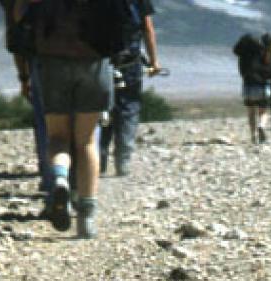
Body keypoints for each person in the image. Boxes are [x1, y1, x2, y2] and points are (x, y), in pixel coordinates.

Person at [14, 0, 113, 239]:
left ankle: (60, 178)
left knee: (58, 137)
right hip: (95, 62)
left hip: (51, 63)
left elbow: (19, 16)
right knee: (87, 141)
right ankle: (86, 220)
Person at [99, 0, 161, 177]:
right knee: (129, 109)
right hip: (130, 62)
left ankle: (98, 161)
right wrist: (154, 60)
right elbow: (147, 27)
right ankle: (123, 161)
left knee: (100, 109)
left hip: (101, 61)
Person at [0, 0, 50, 201]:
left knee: (46, 119)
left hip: (40, 56)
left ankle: (52, 178)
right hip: (85, 54)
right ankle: (82, 185)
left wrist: (23, 77)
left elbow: (16, 37)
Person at [233, 33, 271, 144]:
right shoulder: (261, 52)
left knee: (251, 112)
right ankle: (261, 126)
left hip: (247, 85)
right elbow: (268, 66)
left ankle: (253, 136)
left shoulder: (242, 55)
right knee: (263, 111)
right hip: (261, 85)